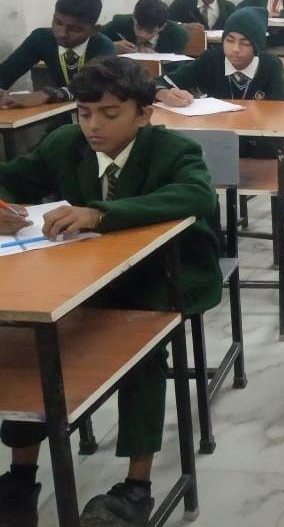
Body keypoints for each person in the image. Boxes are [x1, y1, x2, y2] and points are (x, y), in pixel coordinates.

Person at [0, 56, 222, 526]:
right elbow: (11, 178)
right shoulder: (65, 144)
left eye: (109, 114)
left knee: (141, 346)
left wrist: (100, 214)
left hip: (164, 275)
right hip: (85, 271)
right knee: (30, 341)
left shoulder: (172, 150)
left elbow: (197, 195)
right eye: (84, 113)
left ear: (143, 114)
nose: (93, 126)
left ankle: (136, 487)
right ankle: (20, 478)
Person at [155, 8, 284, 278]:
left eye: (244, 43)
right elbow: (161, 81)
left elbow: (278, 113)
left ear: (257, 46)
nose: (235, 50)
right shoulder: (211, 60)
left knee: (280, 159)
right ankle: (212, 243)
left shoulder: (270, 65)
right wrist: (164, 92)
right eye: (229, 40)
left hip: (261, 143)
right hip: (221, 144)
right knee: (194, 168)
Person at [0, 0, 116, 108]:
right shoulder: (41, 39)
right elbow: (5, 74)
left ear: (94, 30)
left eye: (75, 29)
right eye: (58, 22)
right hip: (59, 112)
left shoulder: (103, 46)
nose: (62, 34)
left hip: (96, 112)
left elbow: (96, 86)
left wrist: (49, 94)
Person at [102, 0, 189, 55]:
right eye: (139, 27)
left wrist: (158, 60)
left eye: (150, 31)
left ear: (162, 27)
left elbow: (177, 69)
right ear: (134, 18)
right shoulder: (119, 24)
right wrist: (111, 46)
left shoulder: (177, 35)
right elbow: (95, 43)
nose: (142, 34)